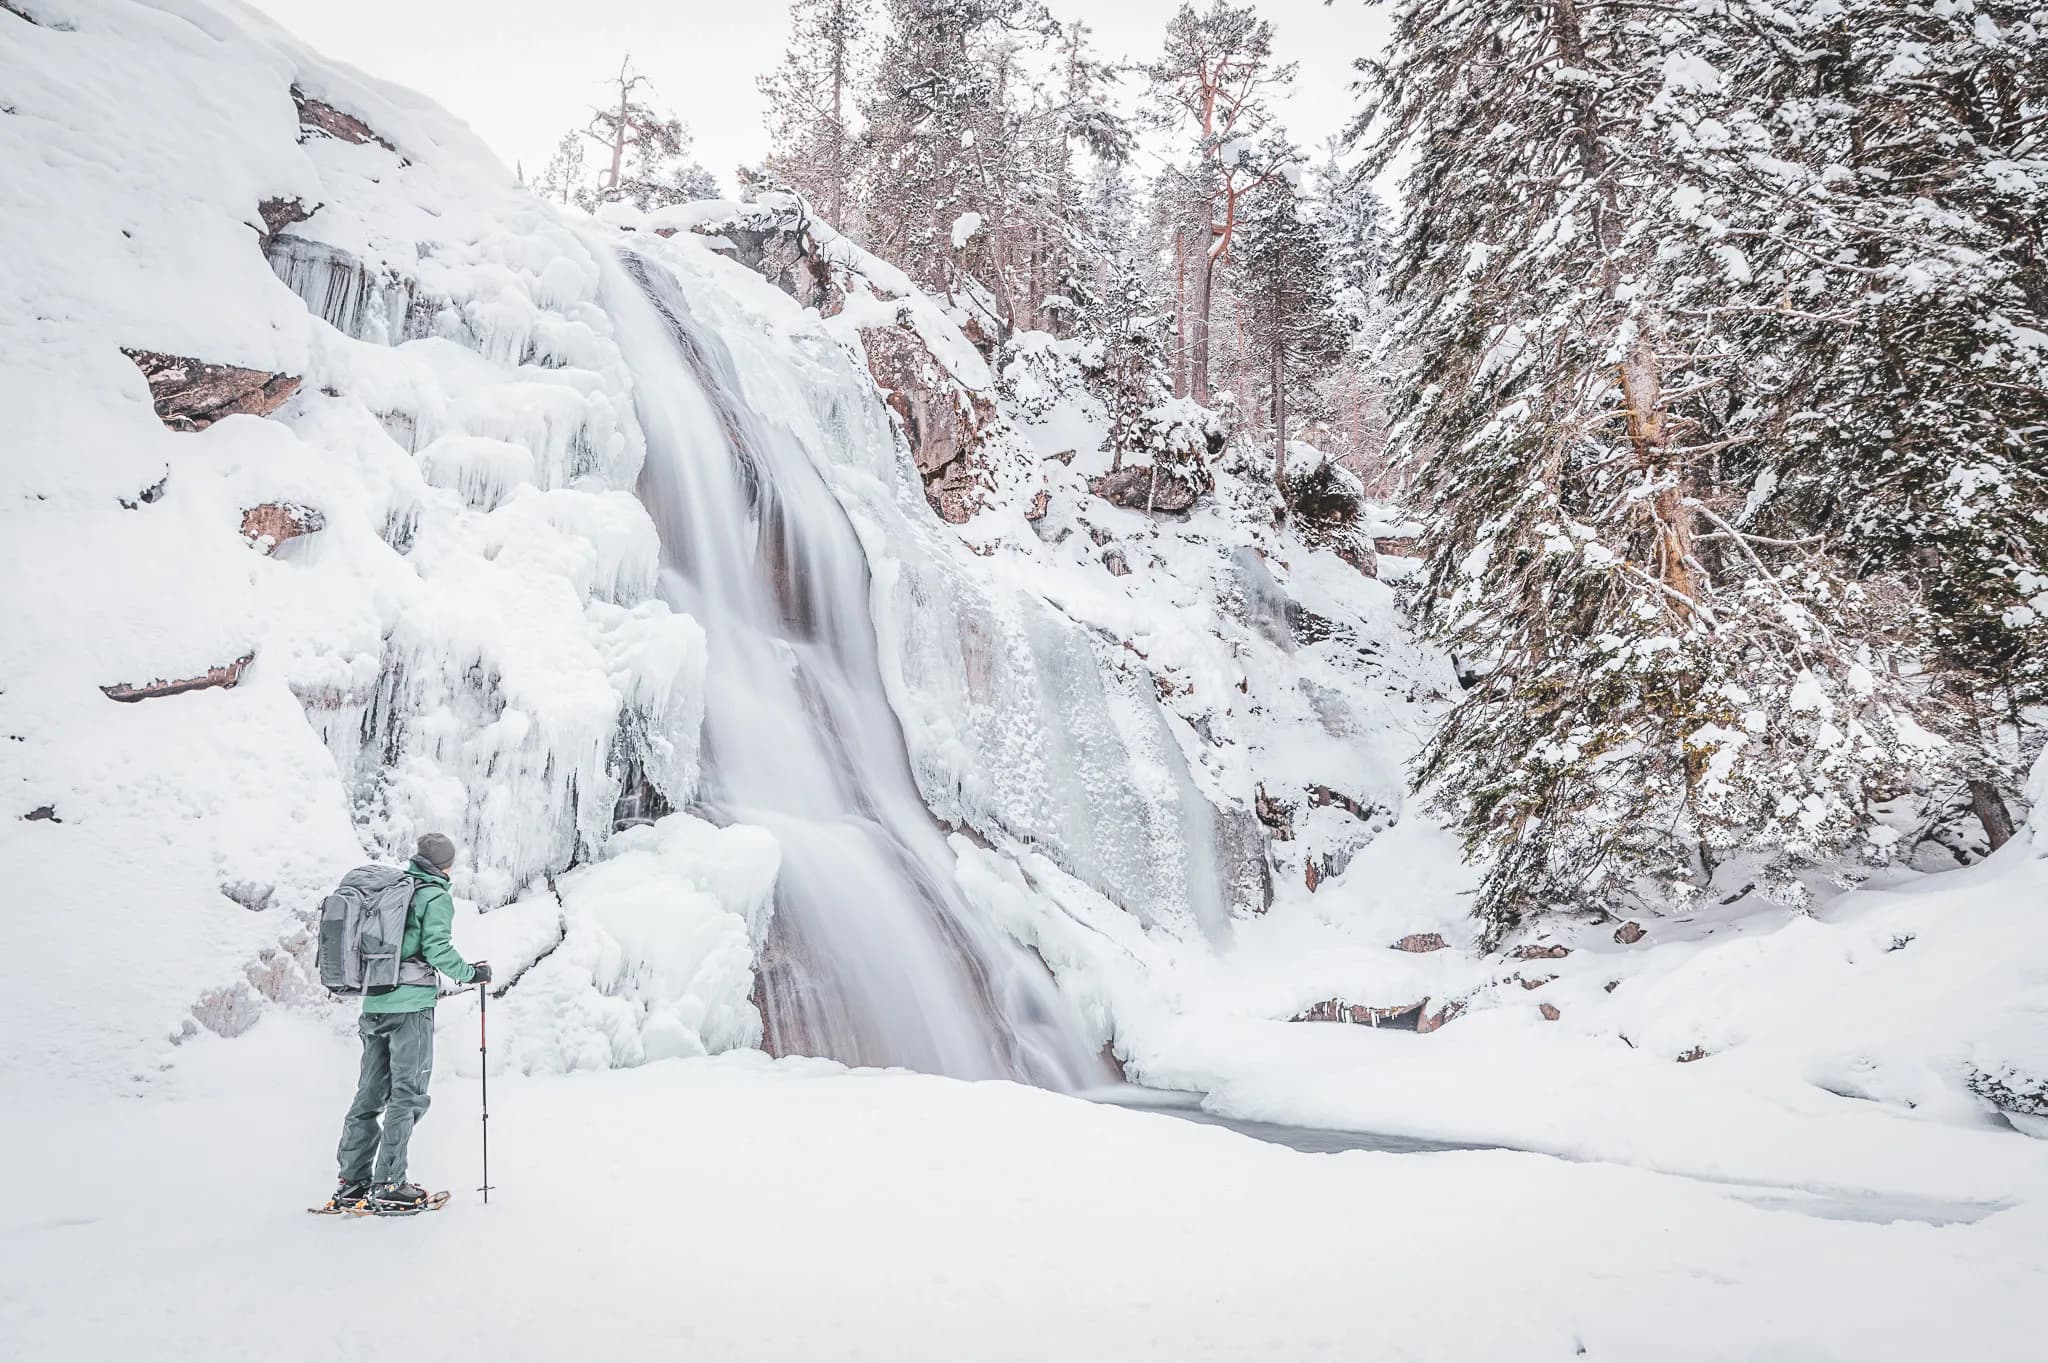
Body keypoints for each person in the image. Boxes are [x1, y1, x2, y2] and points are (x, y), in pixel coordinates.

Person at [325, 832, 490, 1213]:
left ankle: (351, 1182)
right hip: (410, 1009)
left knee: (369, 1094)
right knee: (408, 1094)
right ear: (446, 865)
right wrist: (471, 974)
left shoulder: (393, 890)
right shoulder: (434, 896)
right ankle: (390, 1183)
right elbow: (436, 949)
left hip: (375, 1003)